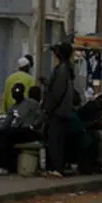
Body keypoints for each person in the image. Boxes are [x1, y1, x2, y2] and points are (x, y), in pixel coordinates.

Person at [0, 83, 43, 175]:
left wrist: (34, 125)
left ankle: (5, 166)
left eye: (18, 91)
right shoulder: (12, 107)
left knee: (6, 134)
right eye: (14, 92)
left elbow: (41, 115)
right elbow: (7, 123)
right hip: (18, 131)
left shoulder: (31, 103)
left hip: (30, 130)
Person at [43, 42, 75, 178]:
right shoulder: (66, 69)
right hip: (63, 110)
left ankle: (56, 168)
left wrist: (48, 107)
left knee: (54, 139)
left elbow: (57, 93)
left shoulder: (61, 70)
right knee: (58, 139)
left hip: (58, 111)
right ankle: (56, 167)